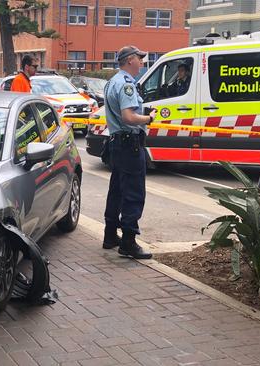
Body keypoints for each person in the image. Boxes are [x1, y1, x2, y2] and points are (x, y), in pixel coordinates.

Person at [102, 45, 157, 260]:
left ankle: (110, 235)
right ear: (129, 60)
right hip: (129, 144)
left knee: (116, 189)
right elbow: (129, 117)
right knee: (134, 192)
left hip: (117, 143)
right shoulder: (126, 85)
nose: (142, 63)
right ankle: (128, 241)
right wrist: (149, 118)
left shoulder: (112, 82)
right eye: (140, 59)